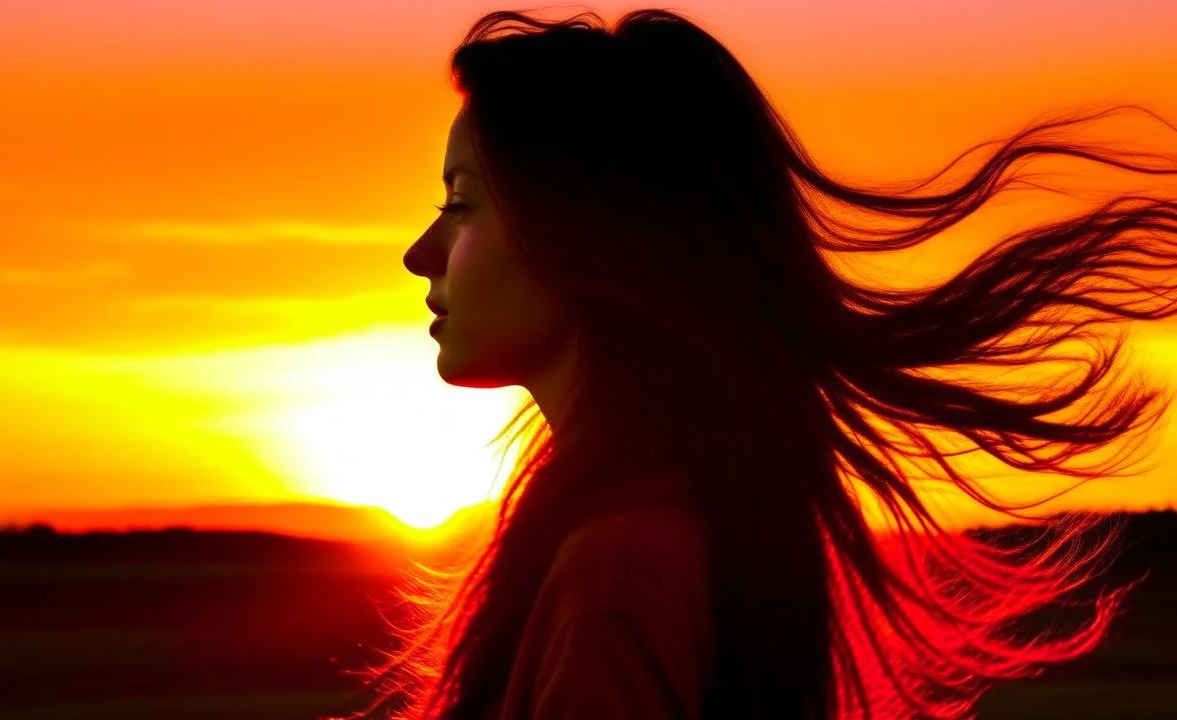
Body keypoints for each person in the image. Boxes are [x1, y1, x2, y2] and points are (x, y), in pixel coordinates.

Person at [337, 7, 1177, 719]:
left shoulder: (618, 576)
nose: (421, 254)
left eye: (461, 203)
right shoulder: (685, 524)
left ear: (587, 235)